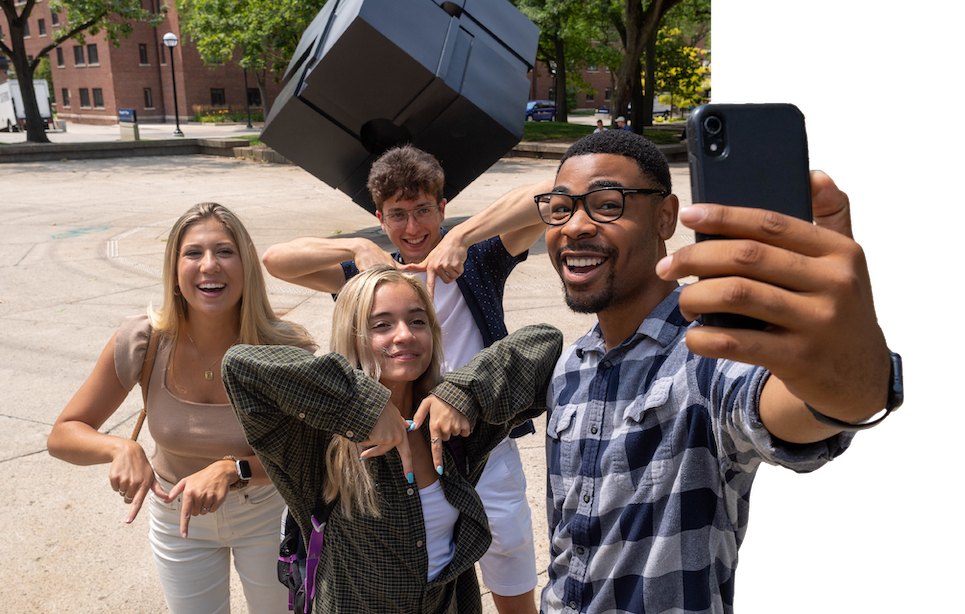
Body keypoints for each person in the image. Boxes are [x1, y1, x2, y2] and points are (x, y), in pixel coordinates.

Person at [532, 129, 902, 613]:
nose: (575, 225)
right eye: (561, 209)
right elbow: (566, 537)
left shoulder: (710, 351)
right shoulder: (569, 366)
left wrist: (855, 377)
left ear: (665, 217)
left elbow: (794, 406)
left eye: (607, 204)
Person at [261, 145, 552, 614]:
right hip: (398, 451)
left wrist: (464, 235)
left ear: (442, 207)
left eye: (423, 211)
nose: (413, 227)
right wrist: (355, 247)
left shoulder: (474, 260)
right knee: (420, 576)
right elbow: (276, 260)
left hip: (485, 447)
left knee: (511, 569)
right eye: (398, 215)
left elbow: (552, 193)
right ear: (380, 217)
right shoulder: (370, 278)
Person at [221, 266, 563, 613]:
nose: (404, 335)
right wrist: (365, 406)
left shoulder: (449, 426)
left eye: (417, 321)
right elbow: (241, 367)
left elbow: (545, 344)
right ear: (352, 336)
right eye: (381, 325)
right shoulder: (319, 441)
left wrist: (464, 394)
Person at [47, 203, 316, 614]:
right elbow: (64, 433)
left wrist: (234, 468)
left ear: (246, 266)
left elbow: (313, 455)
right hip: (178, 521)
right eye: (193, 253)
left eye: (225, 252)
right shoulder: (143, 340)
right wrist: (120, 448)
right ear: (174, 270)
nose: (210, 265)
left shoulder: (286, 349)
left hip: (268, 514)